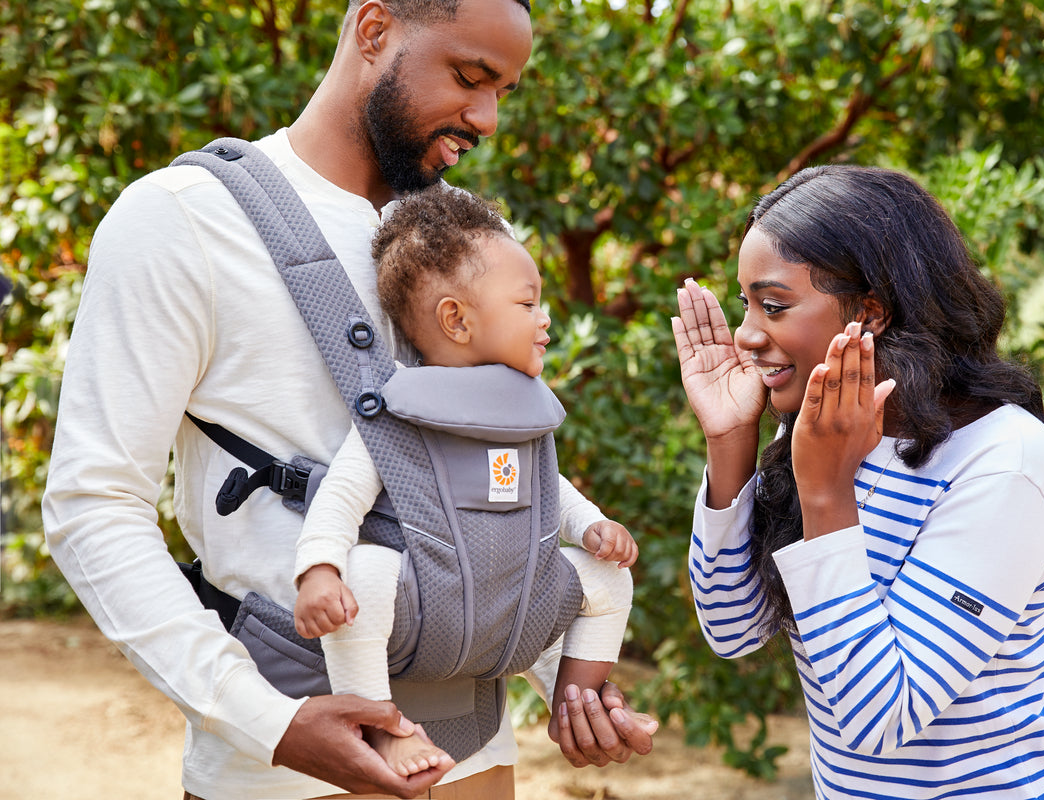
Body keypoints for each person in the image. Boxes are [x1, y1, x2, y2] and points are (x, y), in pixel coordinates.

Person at [41, 1, 656, 799]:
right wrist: (270, 724)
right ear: (374, 32)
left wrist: (569, 683)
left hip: (479, 755)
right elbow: (93, 505)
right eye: (471, 77)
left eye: (505, 89)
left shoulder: (465, 241)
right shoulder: (182, 219)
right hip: (290, 768)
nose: (489, 118)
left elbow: (493, 497)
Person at [672, 165, 1044, 799]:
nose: (746, 334)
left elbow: (882, 718)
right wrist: (729, 442)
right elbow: (732, 628)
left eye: (773, 305)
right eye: (746, 305)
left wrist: (827, 495)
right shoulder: (824, 432)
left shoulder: (1001, 459)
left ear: (869, 313)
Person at [291, 185, 638, 776]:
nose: (546, 318)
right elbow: (342, 494)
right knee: (366, 574)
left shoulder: (525, 412)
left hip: (511, 603)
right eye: (527, 304)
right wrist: (319, 570)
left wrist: (593, 525)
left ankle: (575, 704)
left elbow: (549, 492)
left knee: (610, 575)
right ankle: (382, 724)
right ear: (455, 318)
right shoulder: (401, 410)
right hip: (424, 606)